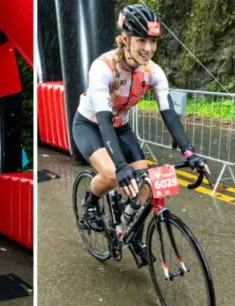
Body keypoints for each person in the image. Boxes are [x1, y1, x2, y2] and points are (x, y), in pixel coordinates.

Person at [72, 4, 208, 266]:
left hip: (120, 127)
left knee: (146, 184)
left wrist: (189, 152)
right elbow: (102, 119)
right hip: (90, 125)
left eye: (153, 41)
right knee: (112, 176)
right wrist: (121, 166)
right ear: (125, 39)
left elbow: (169, 114)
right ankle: (90, 203)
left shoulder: (153, 73)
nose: (148, 48)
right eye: (141, 40)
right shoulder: (103, 68)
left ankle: (130, 230)